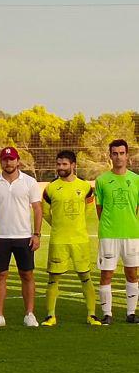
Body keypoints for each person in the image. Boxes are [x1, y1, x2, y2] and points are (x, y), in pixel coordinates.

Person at [0, 147, 43, 328]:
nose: (8, 163)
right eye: (5, 159)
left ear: (18, 161)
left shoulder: (30, 182)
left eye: (11, 159)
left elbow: (37, 208)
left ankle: (29, 314)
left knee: (27, 274)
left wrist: (37, 234)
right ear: (0, 162)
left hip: (24, 236)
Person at [41, 150, 100, 326]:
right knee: (53, 279)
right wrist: (58, 224)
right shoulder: (50, 188)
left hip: (80, 240)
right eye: (58, 164)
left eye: (64, 164)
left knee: (85, 277)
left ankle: (91, 315)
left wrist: (76, 224)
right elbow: (45, 213)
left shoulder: (85, 187)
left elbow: (89, 209)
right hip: (58, 240)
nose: (60, 167)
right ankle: (50, 316)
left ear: (73, 165)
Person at [94, 139, 139, 324]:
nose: (118, 157)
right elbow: (99, 209)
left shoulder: (136, 180)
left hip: (131, 234)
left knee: (132, 273)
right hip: (109, 234)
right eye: (115, 153)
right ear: (110, 156)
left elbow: (136, 208)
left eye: (122, 153)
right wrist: (109, 224)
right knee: (106, 274)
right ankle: (107, 314)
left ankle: (130, 313)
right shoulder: (102, 180)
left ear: (127, 155)